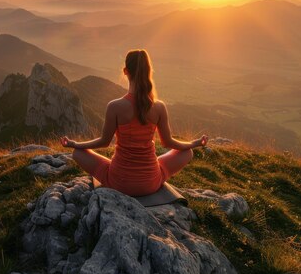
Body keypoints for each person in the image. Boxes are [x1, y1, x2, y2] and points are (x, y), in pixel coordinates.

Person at [60, 49, 208, 197]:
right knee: (187, 152)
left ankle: (120, 169)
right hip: (151, 183)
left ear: (125, 71)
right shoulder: (159, 107)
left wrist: (75, 144)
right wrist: (194, 143)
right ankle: (149, 171)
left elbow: (104, 142)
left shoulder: (115, 106)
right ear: (148, 71)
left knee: (78, 153)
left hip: (119, 183)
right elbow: (168, 143)